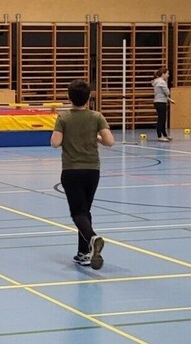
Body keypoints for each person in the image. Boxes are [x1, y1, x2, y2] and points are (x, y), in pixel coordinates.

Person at [50, 79, 114, 270]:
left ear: (69, 97)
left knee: (77, 212)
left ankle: (93, 238)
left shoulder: (64, 118)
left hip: (71, 170)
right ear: (89, 98)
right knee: (85, 210)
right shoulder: (97, 117)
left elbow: (55, 142)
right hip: (92, 170)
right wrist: (96, 138)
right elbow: (110, 141)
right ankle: (83, 253)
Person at [151, 68, 175, 142]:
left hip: (159, 102)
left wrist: (169, 100)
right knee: (161, 120)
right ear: (163, 74)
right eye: (167, 74)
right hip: (160, 103)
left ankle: (165, 134)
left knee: (163, 119)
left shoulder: (157, 81)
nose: (168, 75)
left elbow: (161, 94)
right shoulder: (162, 82)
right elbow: (167, 92)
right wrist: (168, 95)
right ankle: (159, 136)